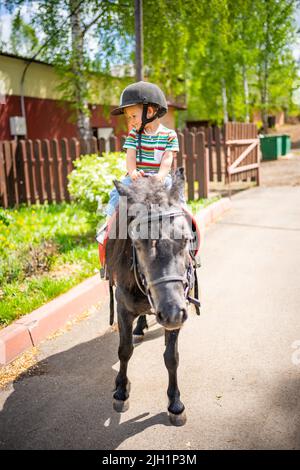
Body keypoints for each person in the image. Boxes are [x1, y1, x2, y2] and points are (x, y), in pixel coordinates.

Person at [96, 81, 185, 243]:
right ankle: (109, 224)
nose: (130, 121)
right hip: (138, 176)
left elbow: (167, 158)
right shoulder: (134, 135)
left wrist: (160, 176)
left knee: (176, 191)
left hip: (159, 176)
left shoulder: (169, 135)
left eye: (133, 116)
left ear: (150, 112)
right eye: (128, 117)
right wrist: (133, 172)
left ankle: (185, 224)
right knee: (119, 191)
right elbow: (130, 156)